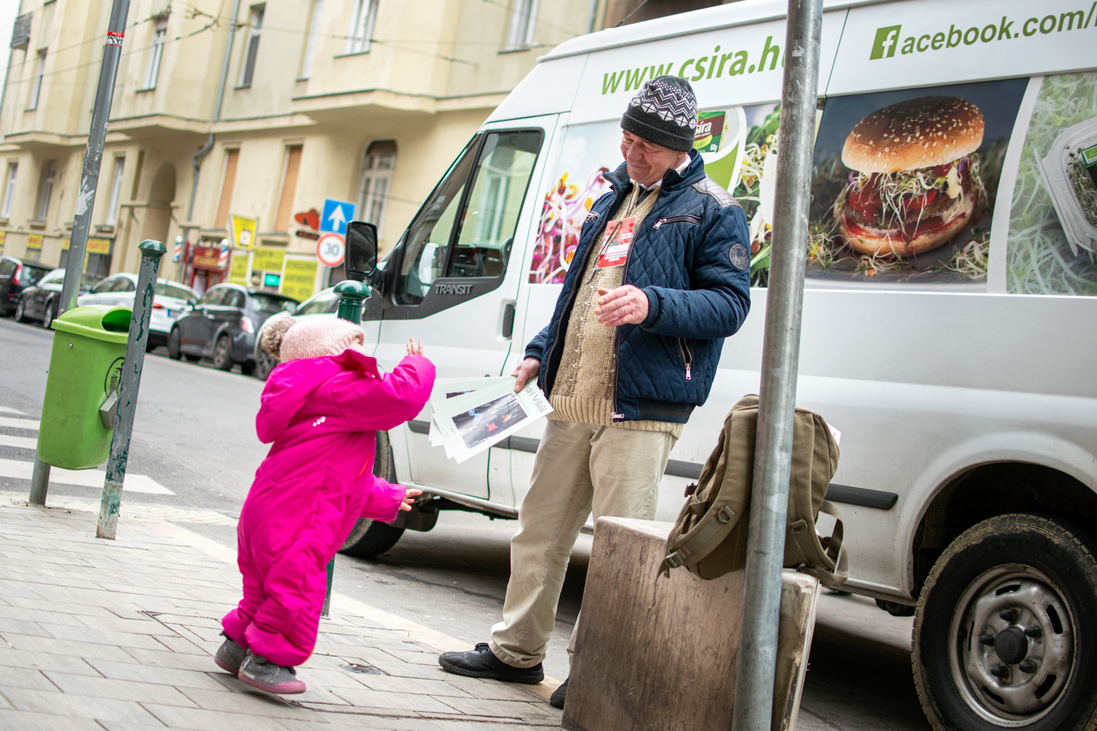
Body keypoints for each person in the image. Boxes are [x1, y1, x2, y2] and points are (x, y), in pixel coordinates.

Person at [437, 75, 752, 708]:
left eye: (647, 146)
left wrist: (651, 302)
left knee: (618, 546)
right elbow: (577, 292)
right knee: (540, 528)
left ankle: (597, 673)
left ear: (681, 144)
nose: (633, 154)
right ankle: (514, 652)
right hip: (572, 396)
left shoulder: (714, 209)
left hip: (640, 407)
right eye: (628, 138)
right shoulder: (612, 197)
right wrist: (537, 352)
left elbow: (730, 304)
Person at [213, 317, 435, 694]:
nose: (363, 354)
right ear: (335, 353)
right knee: (296, 590)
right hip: (297, 522)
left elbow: (335, 478)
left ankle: (235, 649)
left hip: (268, 512)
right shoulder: (339, 386)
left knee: (262, 590)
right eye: (356, 345)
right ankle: (269, 662)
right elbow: (401, 398)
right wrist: (417, 365)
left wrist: (390, 497)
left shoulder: (304, 391)